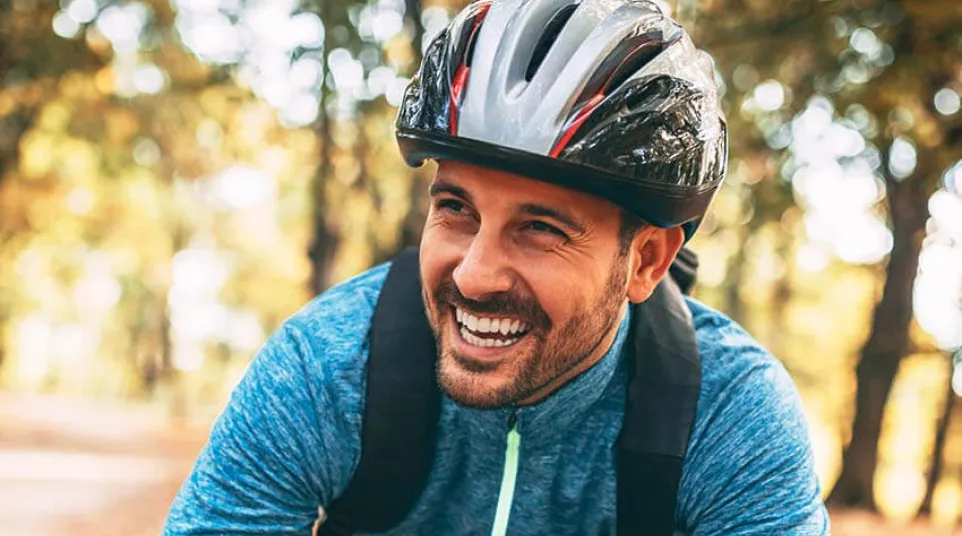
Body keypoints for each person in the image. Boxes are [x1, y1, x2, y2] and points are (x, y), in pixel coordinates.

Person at [163, 0, 830, 534]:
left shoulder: (729, 416)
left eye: (541, 229)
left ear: (646, 260)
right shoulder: (328, 367)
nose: (475, 276)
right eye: (455, 208)